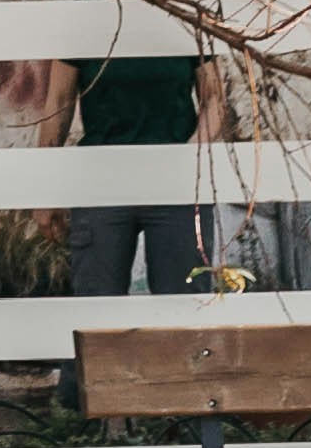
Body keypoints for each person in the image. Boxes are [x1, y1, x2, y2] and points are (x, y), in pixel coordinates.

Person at [60, 17, 218, 299]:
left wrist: (189, 154)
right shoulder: (88, 14)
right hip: (102, 182)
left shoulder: (185, 15)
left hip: (176, 184)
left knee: (184, 302)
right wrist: (44, 190)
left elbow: (214, 98)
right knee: (97, 305)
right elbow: (58, 101)